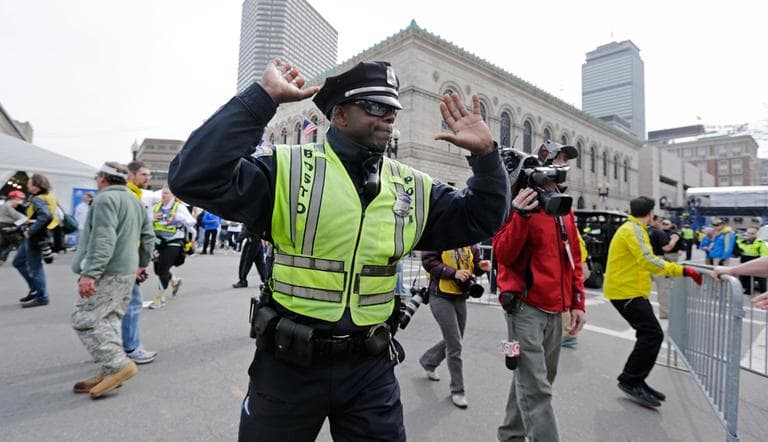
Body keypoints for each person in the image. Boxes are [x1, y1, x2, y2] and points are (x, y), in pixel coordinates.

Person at [168, 59, 509, 441]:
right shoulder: (286, 169)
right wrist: (260, 100)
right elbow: (192, 176)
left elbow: (481, 219)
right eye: (376, 107)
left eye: (392, 108)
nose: (389, 117)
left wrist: (486, 159)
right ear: (340, 114)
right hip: (288, 367)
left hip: (371, 370)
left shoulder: (413, 187)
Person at [493, 140, 586, 442]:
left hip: (555, 311)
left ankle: (510, 435)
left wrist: (578, 302)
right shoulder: (519, 199)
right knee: (537, 389)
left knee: (536, 382)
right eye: (557, 158)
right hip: (525, 309)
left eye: (564, 161)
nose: (560, 166)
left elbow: (574, 257)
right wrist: (520, 214)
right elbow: (503, 255)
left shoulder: (563, 205)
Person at [603, 196, 702, 408]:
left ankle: (636, 379)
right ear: (649, 213)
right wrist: (682, 270)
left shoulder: (634, 228)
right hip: (625, 292)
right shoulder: (633, 230)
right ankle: (631, 380)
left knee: (649, 334)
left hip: (631, 291)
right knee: (652, 334)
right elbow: (648, 260)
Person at [70, 162, 154, 399]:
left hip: (108, 270)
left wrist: (90, 274)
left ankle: (118, 365)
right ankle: (109, 370)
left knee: (85, 318)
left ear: (103, 179)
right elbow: (148, 236)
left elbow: (104, 238)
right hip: (126, 269)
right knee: (110, 318)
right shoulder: (133, 200)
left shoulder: (105, 200)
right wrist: (141, 263)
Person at [419, 246, 490, 409]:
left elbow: (475, 264)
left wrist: (481, 267)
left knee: (455, 339)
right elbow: (428, 261)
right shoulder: (439, 234)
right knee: (455, 344)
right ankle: (458, 391)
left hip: (460, 297)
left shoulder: (470, 242)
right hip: (440, 297)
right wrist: (453, 273)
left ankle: (429, 361)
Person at [121, 161, 159, 364]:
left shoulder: (133, 195)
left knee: (119, 304)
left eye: (149, 175)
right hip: (128, 261)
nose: (148, 178)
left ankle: (113, 346)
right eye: (144, 174)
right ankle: (131, 347)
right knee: (133, 304)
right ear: (131, 175)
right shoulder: (130, 196)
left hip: (124, 259)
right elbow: (141, 233)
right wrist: (140, 263)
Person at [14, 174, 59, 308]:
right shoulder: (47, 197)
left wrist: (30, 231)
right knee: (18, 262)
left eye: (29, 183)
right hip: (39, 235)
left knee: (35, 267)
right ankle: (36, 289)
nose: (27, 185)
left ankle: (41, 296)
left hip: (35, 237)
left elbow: (44, 215)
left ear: (36, 185)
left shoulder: (38, 199)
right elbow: (37, 215)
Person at [149, 186, 196, 308]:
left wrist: (180, 218)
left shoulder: (179, 207)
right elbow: (145, 220)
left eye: (166, 193)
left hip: (174, 242)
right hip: (158, 242)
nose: (163, 196)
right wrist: (152, 217)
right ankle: (175, 281)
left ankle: (160, 298)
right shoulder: (156, 207)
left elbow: (192, 222)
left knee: (163, 269)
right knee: (157, 270)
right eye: (163, 193)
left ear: (173, 195)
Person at [562, 230, 590, 348]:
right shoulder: (572, 227)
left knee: (564, 300)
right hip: (582, 263)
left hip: (575, 264)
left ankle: (569, 334)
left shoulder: (565, 225)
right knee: (567, 298)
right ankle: (570, 333)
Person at [648, 216, 677, 320]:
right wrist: (674, 240)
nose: (661, 224)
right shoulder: (659, 232)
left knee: (642, 288)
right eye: (660, 221)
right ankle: (664, 313)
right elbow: (667, 248)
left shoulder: (643, 230)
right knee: (663, 289)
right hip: (657, 261)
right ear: (654, 221)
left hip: (644, 261)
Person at [734, 226, 768, 294]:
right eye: (748, 233)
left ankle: (763, 292)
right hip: (744, 263)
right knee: (745, 278)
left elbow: (764, 255)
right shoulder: (741, 241)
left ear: (756, 234)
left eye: (752, 233)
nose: (749, 235)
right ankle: (748, 290)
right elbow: (736, 250)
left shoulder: (760, 243)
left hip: (756, 263)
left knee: (761, 279)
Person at [0, 190, 26, 264]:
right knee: (20, 243)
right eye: (19, 200)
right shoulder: (8, 207)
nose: (20, 202)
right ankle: (26, 259)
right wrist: (16, 226)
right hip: (7, 226)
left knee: (5, 244)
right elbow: (23, 218)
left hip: (3, 226)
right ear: (13, 199)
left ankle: (1, 259)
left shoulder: (4, 205)